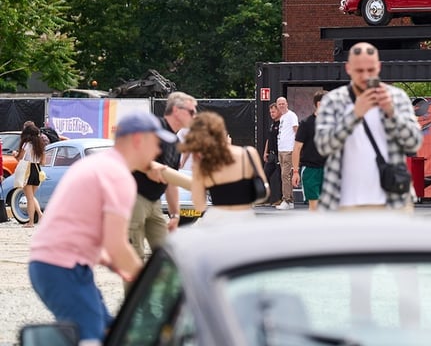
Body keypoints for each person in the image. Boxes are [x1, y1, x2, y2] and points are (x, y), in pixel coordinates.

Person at [29, 111, 175, 345]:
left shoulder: (97, 164)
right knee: (90, 338)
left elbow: (83, 226)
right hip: (63, 267)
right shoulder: (118, 177)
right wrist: (149, 285)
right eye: (156, 143)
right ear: (138, 140)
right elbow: (117, 245)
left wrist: (109, 260)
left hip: (55, 265)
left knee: (109, 330)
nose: (158, 152)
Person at [315, 42, 423, 211]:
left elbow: (414, 143)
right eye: (359, 71)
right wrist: (354, 115)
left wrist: (391, 113)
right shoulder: (334, 101)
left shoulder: (396, 98)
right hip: (342, 203)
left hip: (392, 201)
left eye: (370, 70)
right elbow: (323, 146)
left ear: (378, 67)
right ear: (348, 68)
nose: (365, 76)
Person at [128, 91, 195, 269]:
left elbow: (170, 182)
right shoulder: (155, 126)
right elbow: (131, 154)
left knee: (167, 254)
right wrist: (149, 167)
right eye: (191, 111)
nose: (194, 116)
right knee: (135, 257)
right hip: (135, 197)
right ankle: (135, 296)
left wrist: (175, 215)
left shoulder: (175, 141)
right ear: (176, 110)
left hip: (154, 202)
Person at [180, 111, 269, 224]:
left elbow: (199, 204)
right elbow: (264, 192)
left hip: (216, 219)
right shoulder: (248, 154)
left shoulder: (202, 163)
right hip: (244, 218)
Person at [292, 90, 328, 211]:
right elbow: (297, 148)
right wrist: (296, 171)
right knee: (314, 205)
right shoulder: (306, 123)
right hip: (311, 170)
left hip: (329, 169)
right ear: (319, 104)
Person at [18, 123, 46, 227]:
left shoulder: (26, 145)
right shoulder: (41, 146)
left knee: (29, 198)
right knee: (31, 196)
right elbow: (43, 162)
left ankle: (30, 222)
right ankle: (40, 214)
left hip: (28, 170)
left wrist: (14, 154)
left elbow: (20, 158)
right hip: (37, 170)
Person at [275, 96, 299, 210]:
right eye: (279, 104)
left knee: (285, 175)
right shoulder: (283, 117)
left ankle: (287, 200)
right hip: (281, 149)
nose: (281, 105)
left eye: (283, 103)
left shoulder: (291, 115)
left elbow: (296, 129)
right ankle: (290, 201)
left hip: (289, 149)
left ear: (287, 104)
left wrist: (296, 146)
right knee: (285, 176)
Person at [262, 102, 282, 205]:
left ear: (279, 111)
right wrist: (266, 152)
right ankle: (265, 199)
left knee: (281, 177)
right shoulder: (272, 124)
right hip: (271, 154)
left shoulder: (282, 124)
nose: (272, 114)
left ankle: (281, 199)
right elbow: (269, 139)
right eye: (270, 112)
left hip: (280, 154)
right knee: (264, 175)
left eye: (273, 112)